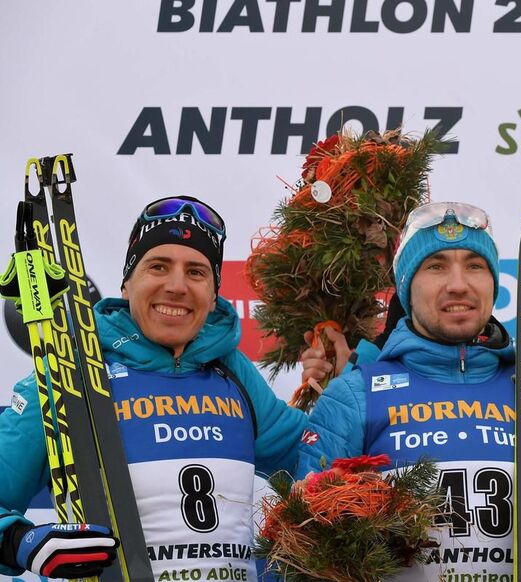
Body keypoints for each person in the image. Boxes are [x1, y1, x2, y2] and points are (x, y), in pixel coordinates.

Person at [296, 201, 521, 582]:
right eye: (436, 266)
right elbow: (303, 541)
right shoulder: (356, 395)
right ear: (407, 290)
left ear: (494, 283)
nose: (458, 284)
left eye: (475, 265)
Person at [0, 196, 310, 581]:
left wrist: (345, 386)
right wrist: (20, 541)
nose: (176, 287)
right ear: (127, 283)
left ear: (214, 294)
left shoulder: (232, 371)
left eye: (196, 272)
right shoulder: (70, 372)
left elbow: (312, 455)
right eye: (158, 267)